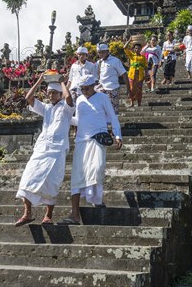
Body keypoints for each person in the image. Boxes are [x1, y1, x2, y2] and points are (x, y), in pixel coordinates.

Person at [58, 75, 122, 225]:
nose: (84, 91)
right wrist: (66, 117)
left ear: (93, 85)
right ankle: (75, 214)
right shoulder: (79, 100)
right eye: (82, 89)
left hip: (98, 138)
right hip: (81, 140)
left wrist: (118, 135)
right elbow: (79, 120)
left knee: (97, 168)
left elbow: (113, 117)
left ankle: (96, 199)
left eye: (87, 88)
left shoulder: (103, 98)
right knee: (77, 175)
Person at [15, 72, 74, 226]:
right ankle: (27, 213)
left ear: (60, 93)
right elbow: (29, 98)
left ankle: (48, 216)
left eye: (54, 93)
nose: (51, 95)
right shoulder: (46, 108)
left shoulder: (66, 109)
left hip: (58, 150)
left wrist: (62, 83)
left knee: (52, 182)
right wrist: (40, 80)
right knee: (28, 178)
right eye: (49, 93)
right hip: (41, 148)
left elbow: (69, 99)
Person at [95, 43, 129, 114]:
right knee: (101, 110)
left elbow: (124, 74)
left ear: (107, 51)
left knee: (113, 111)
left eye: (103, 52)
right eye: (99, 52)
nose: (101, 54)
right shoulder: (99, 62)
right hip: (101, 89)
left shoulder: (115, 61)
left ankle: (114, 124)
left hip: (112, 88)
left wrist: (128, 88)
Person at [124, 39, 147, 107]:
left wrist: (147, 74)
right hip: (132, 75)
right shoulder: (131, 55)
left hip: (140, 75)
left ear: (140, 49)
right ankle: (132, 102)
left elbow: (145, 66)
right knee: (131, 89)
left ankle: (139, 102)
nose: (137, 49)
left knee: (139, 89)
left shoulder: (143, 57)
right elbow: (124, 48)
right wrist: (129, 41)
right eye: (136, 48)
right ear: (134, 49)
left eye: (138, 48)